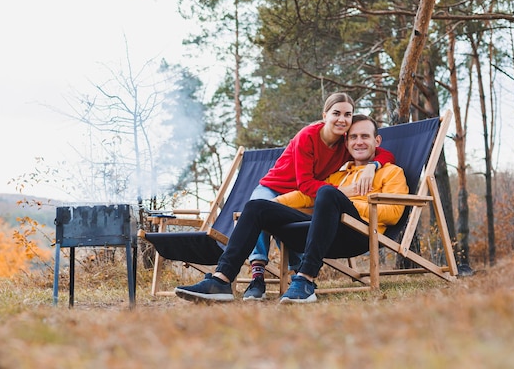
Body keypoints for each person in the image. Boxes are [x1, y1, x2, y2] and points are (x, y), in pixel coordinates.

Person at [175, 114, 408, 304]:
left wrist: (346, 202)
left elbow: (394, 212)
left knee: (327, 192)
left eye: (365, 136)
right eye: (354, 137)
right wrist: (273, 206)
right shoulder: (339, 174)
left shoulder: (391, 172)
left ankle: (305, 280)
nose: (359, 142)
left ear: (376, 142)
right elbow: (305, 196)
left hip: (357, 235)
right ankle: (221, 280)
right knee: (257, 206)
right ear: (346, 143)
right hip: (322, 233)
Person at [243, 92, 395, 301]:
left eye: (347, 114)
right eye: (336, 113)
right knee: (258, 206)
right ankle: (257, 274)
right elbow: (304, 183)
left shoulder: (346, 144)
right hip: (276, 187)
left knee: (281, 219)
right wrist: (339, 192)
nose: (341, 119)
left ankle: (301, 275)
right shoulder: (307, 136)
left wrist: (372, 166)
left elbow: (383, 153)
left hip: (306, 193)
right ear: (325, 115)